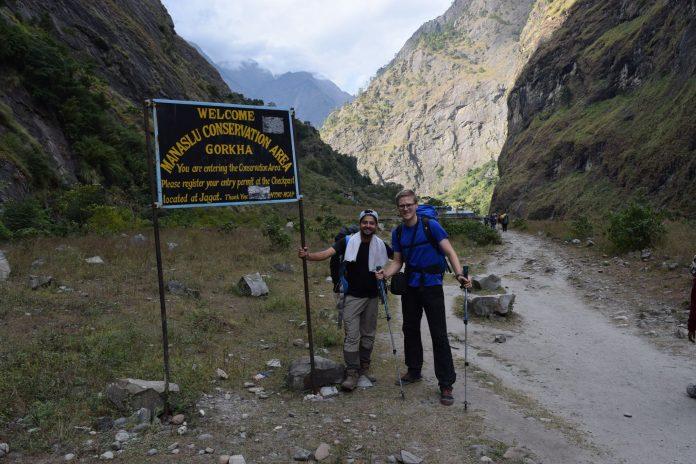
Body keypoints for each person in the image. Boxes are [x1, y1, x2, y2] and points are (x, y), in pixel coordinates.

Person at [376, 189, 472, 406]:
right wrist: (385, 273)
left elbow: (450, 252)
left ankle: (446, 383)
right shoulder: (398, 232)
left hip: (432, 286)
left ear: (416, 205)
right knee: (409, 328)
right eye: (402, 206)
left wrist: (459, 275)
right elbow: (398, 261)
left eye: (409, 204)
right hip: (411, 285)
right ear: (398, 208)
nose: (406, 208)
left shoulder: (430, 226)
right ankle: (414, 369)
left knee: (438, 334)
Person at [298, 209, 389, 391]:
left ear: (376, 225)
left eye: (372, 223)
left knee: (369, 336)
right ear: (360, 223)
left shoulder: (381, 245)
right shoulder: (347, 241)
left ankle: (364, 368)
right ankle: (352, 372)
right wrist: (308, 256)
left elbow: (399, 258)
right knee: (352, 336)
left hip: (372, 297)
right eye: (365, 222)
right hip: (352, 297)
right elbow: (326, 253)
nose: (368, 226)